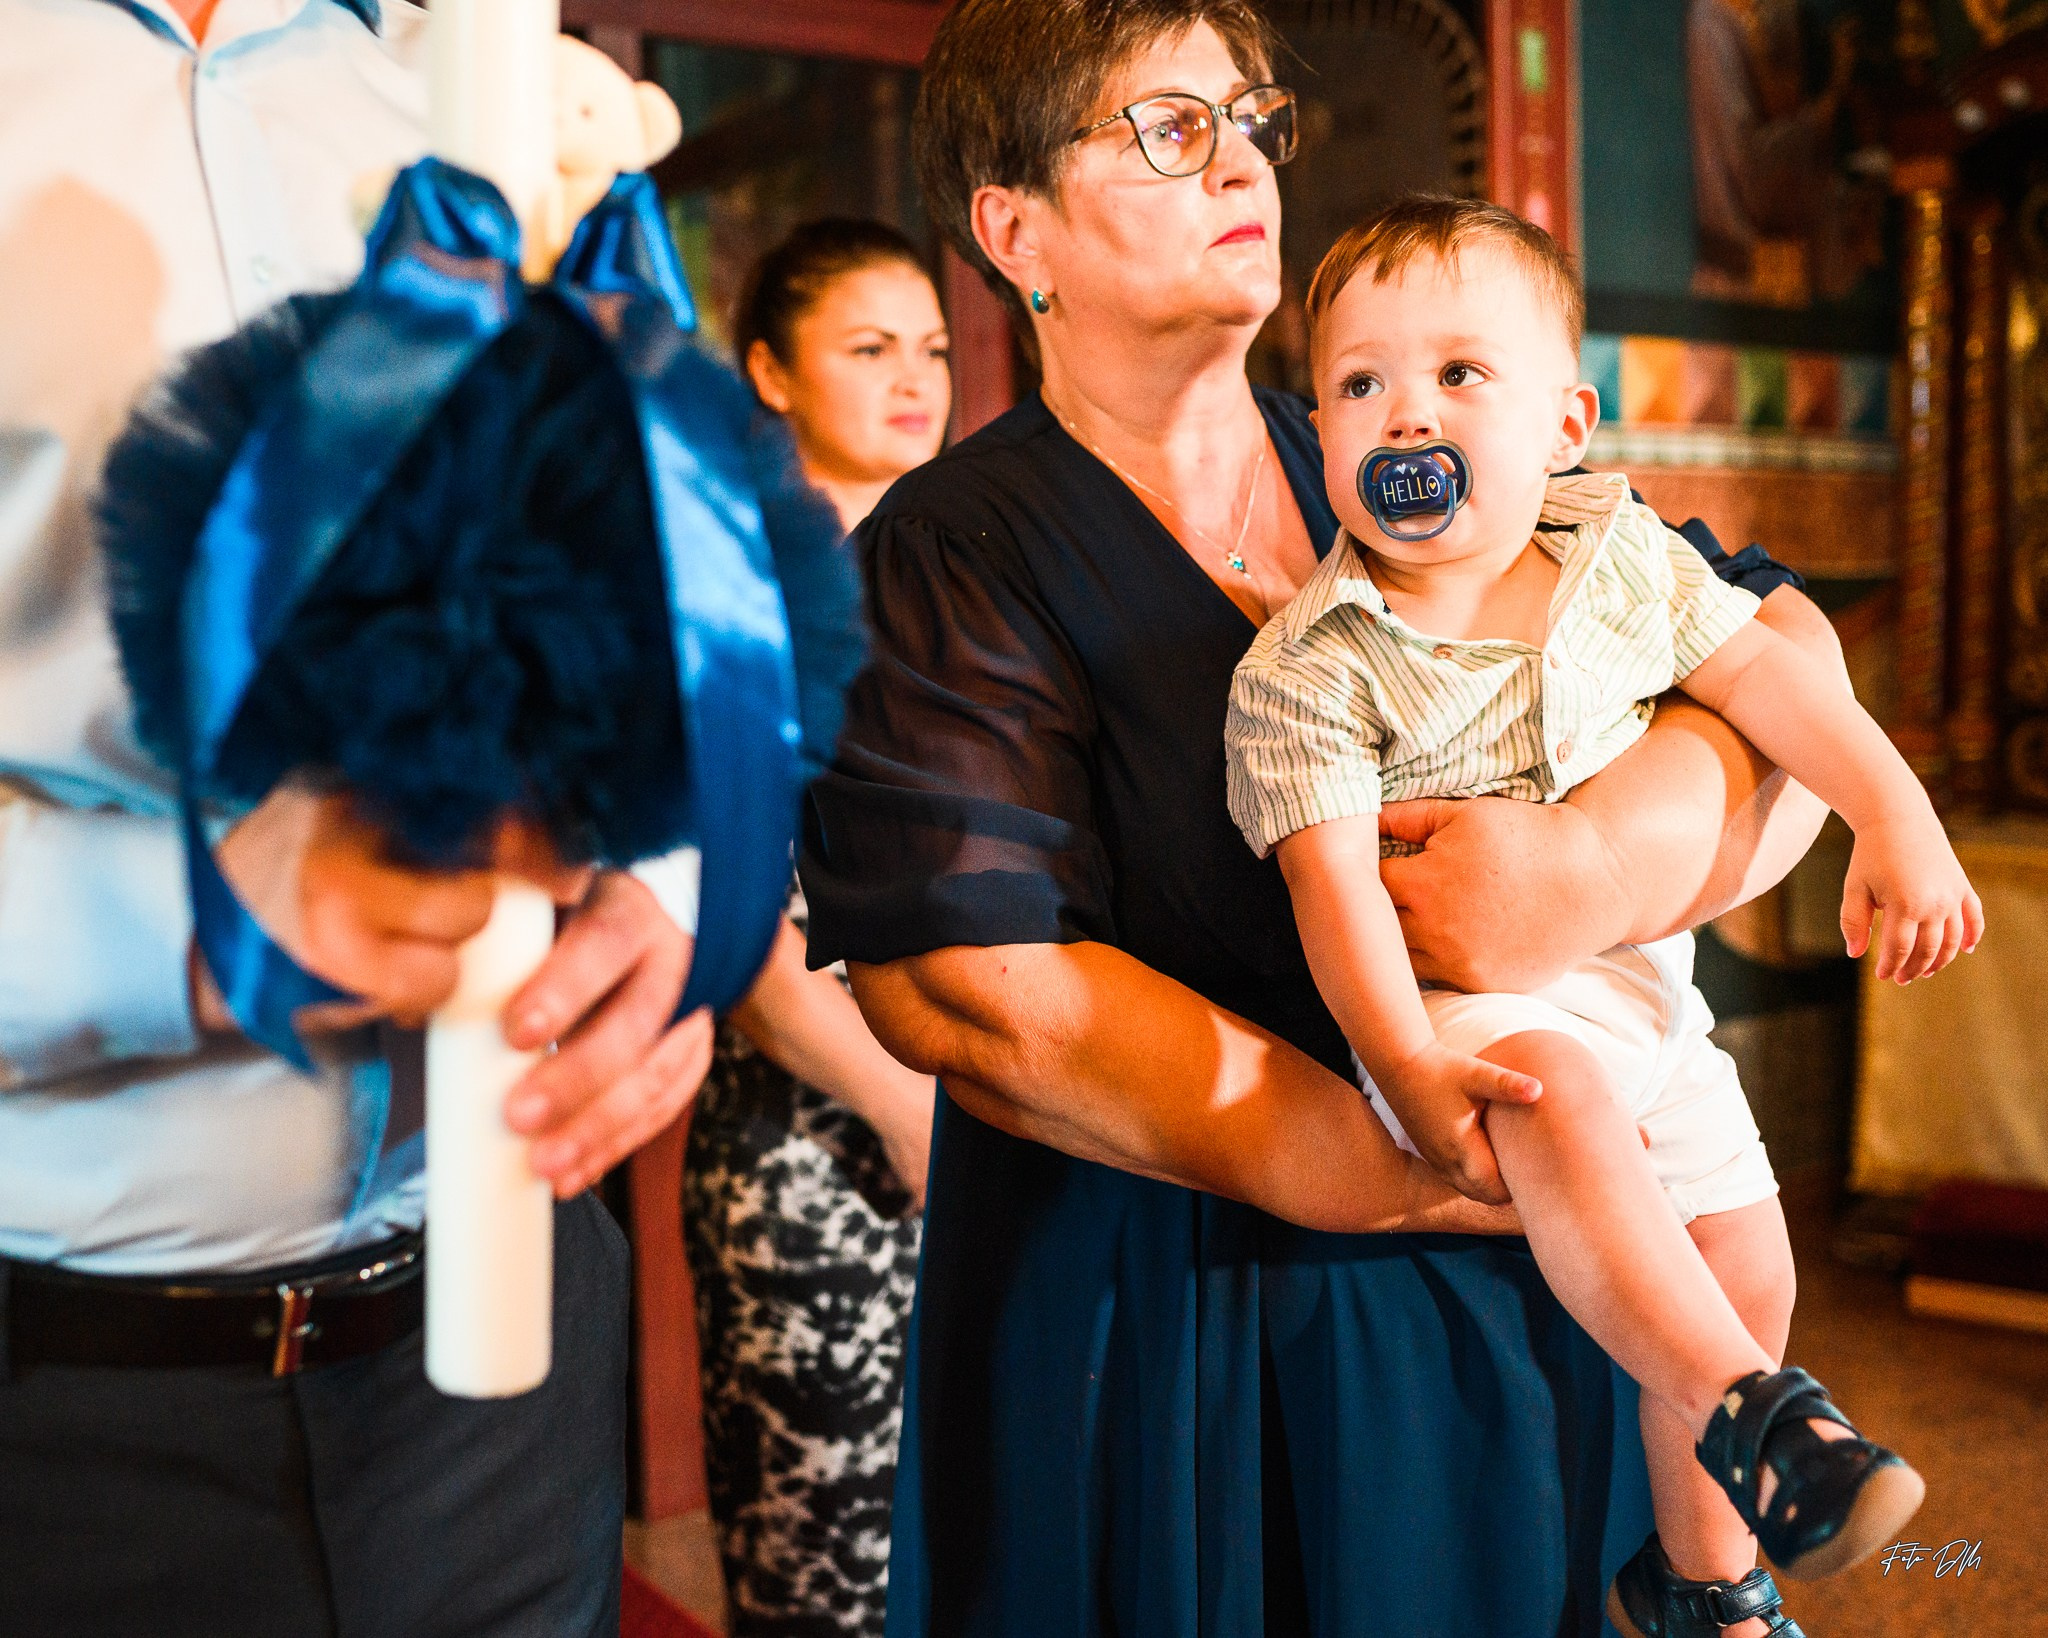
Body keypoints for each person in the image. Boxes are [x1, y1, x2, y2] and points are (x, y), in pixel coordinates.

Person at [796, 2, 1853, 1632]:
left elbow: (1783, 660)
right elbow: (975, 992)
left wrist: (1591, 871)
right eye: (1168, 128)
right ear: (1015, 232)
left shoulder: (1405, 439)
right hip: (1185, 1315)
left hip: (1563, 1268)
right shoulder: (950, 553)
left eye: (1249, 119)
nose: (1241, 163)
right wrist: (1411, 1152)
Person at [0, 4, 714, 1632]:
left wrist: (668, 874)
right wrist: (194, 922)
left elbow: (659, 573)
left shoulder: (470, 78)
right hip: (62, 1408)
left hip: (508, 1371)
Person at [1227, 196, 1974, 1637]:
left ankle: (1704, 1580)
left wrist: (1896, 815)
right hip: (1460, 1009)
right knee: (1559, 1094)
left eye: (1460, 372)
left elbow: (1771, 680)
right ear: (1320, 436)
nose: (1408, 412)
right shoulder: (1311, 665)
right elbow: (1332, 892)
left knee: (1751, 1257)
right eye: (1362, 383)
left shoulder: (1616, 551)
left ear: (1565, 423)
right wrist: (1409, 1063)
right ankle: (1765, 1421)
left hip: (1639, 984)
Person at [683, 219, 948, 1638]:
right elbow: (730, 924)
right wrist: (907, 1112)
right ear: (772, 373)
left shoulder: (953, 578)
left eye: (933, 350)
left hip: (989, 1125)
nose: (915, 380)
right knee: (829, 1585)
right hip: (814, 1157)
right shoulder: (734, 596)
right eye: (870, 348)